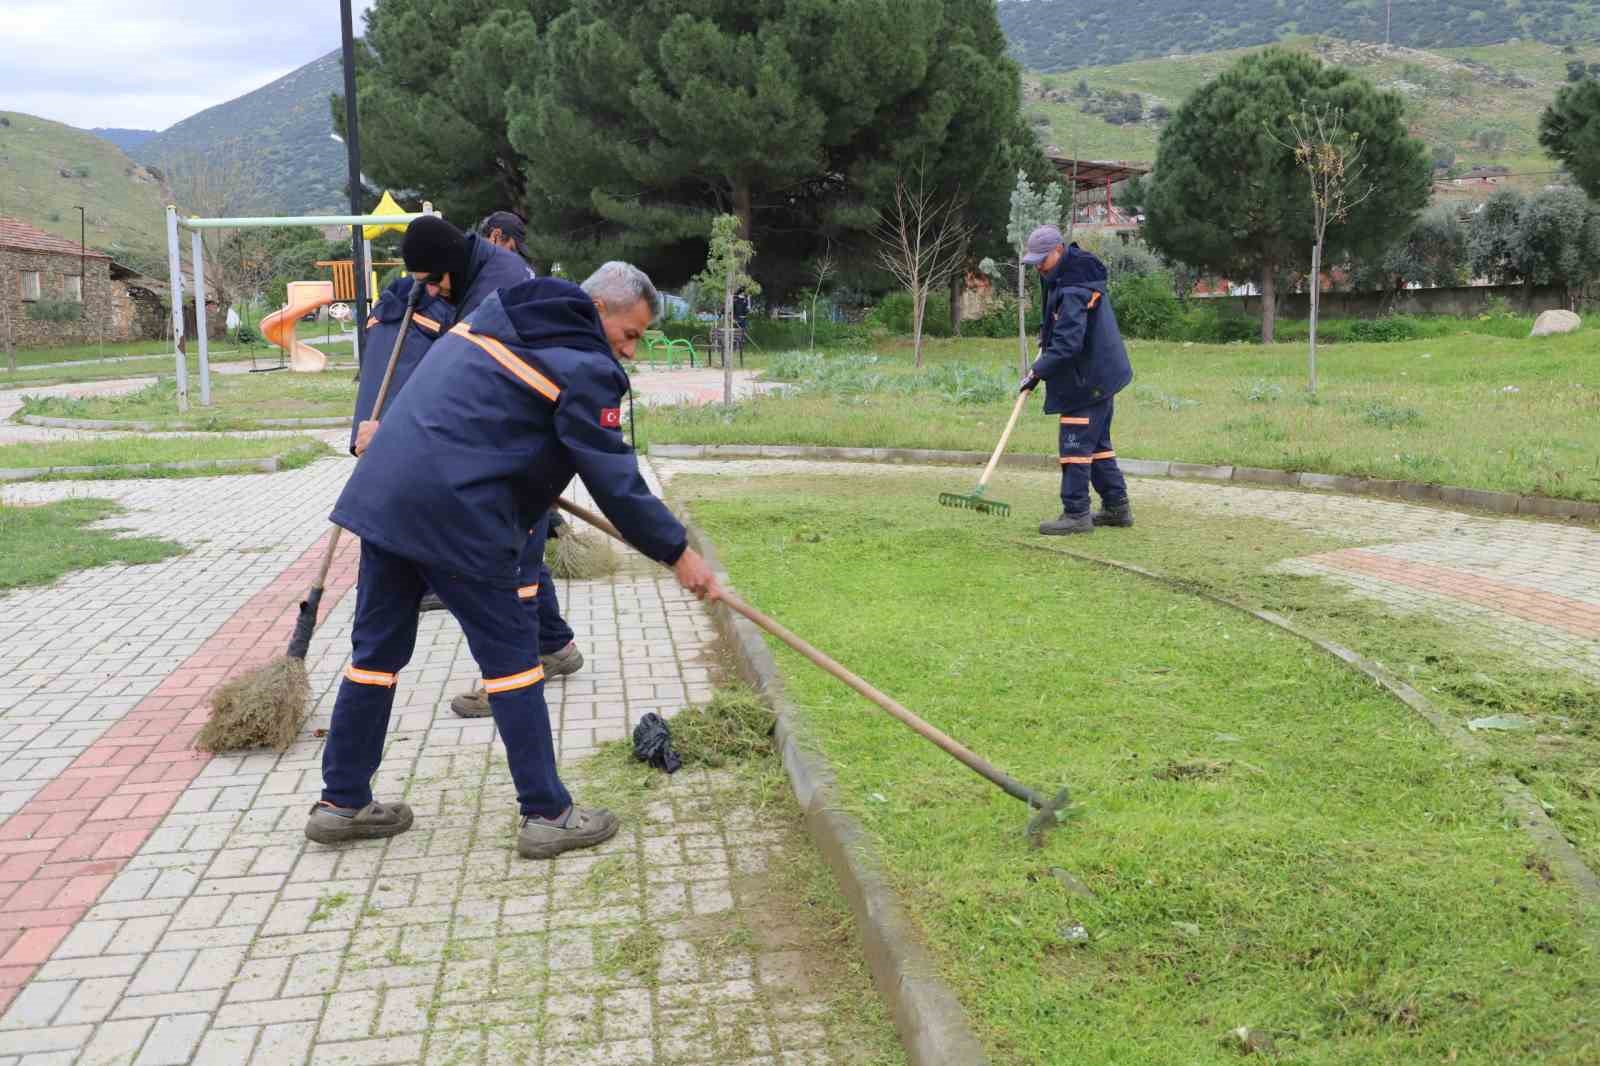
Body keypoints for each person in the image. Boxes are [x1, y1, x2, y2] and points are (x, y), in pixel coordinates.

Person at [307, 262, 719, 859]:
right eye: (630, 335)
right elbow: (614, 478)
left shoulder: (495, 318)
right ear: (598, 309)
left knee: (375, 656)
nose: (630, 352)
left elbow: (484, 415)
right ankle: (548, 814)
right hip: (459, 518)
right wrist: (677, 552)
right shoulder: (584, 366)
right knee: (514, 666)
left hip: (386, 497)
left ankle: (341, 800)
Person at [1018, 226, 1135, 535]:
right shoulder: (1065, 276)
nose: (1039, 267)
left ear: (1058, 251)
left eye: (1042, 260)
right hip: (1099, 375)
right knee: (1096, 445)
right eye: (1035, 262)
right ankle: (1116, 508)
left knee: (1074, 444)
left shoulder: (1075, 288)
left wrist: (1037, 372)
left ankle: (1076, 514)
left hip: (1087, 380)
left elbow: (1069, 343)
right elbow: (1058, 331)